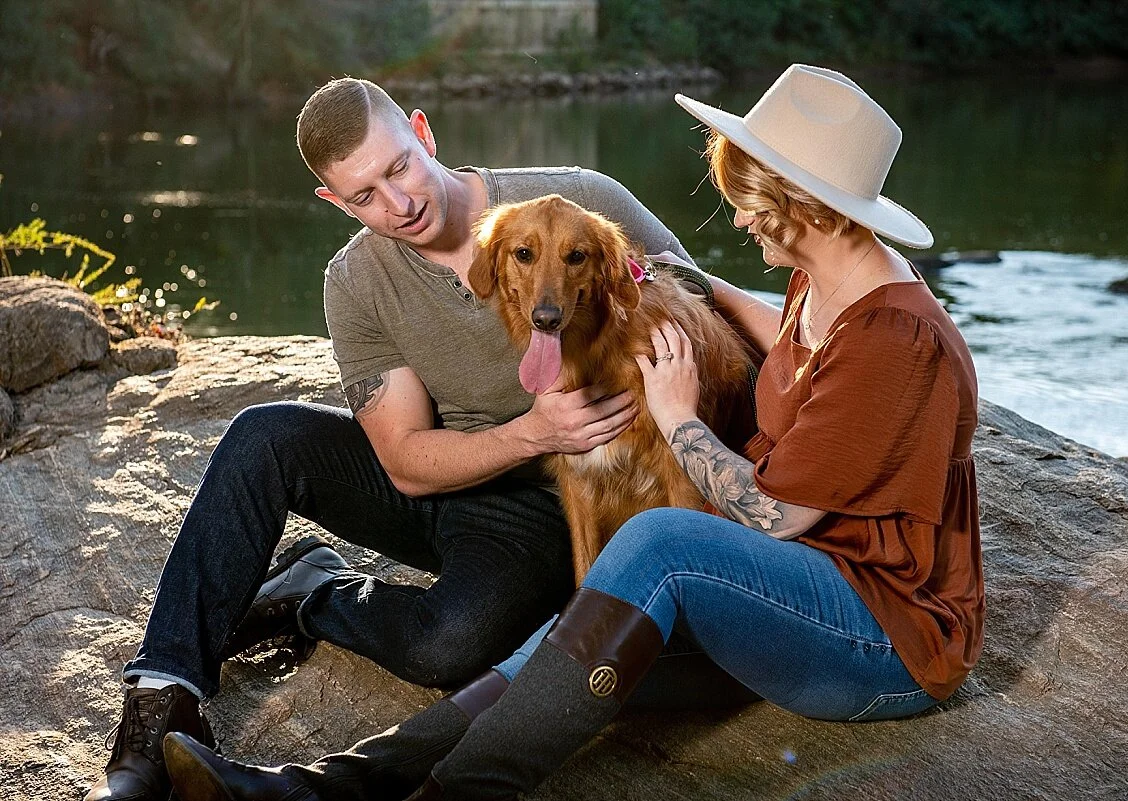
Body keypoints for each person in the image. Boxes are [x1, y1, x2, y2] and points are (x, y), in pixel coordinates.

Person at [159, 64, 986, 801]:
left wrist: (676, 414)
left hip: (880, 631)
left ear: (805, 205)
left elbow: (777, 515)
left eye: (752, 201)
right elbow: (714, 300)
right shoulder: (817, 289)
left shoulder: (892, 337)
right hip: (782, 588)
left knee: (656, 548)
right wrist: (668, 287)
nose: (738, 220)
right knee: (565, 649)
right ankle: (322, 786)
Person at [84, 77, 743, 801]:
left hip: (553, 502)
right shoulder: (356, 280)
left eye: (398, 167)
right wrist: (531, 430)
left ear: (423, 134)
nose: (397, 204)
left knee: (448, 644)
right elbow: (403, 457)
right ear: (335, 202)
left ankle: (314, 590)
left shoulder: (580, 198)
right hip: (451, 471)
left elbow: (704, 295)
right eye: (364, 195)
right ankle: (157, 704)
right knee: (260, 436)